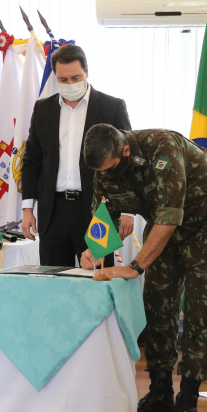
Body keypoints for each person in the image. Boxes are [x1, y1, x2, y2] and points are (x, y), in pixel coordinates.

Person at [80, 124, 207, 412]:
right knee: (157, 303)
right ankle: (161, 392)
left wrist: (135, 266)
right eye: (99, 171)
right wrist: (93, 251)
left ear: (125, 151)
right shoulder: (103, 166)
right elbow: (104, 216)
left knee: (199, 309)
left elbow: (169, 215)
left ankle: (188, 400)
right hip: (164, 225)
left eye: (108, 169)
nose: (104, 176)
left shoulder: (161, 147)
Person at [20, 44, 132, 266]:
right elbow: (32, 161)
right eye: (63, 80)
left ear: (86, 72)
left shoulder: (112, 107)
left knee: (98, 277)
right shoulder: (42, 109)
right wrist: (27, 209)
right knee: (54, 280)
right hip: (53, 211)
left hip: (98, 209)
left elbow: (127, 160)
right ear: (55, 77)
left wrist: (128, 209)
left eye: (75, 77)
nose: (70, 84)